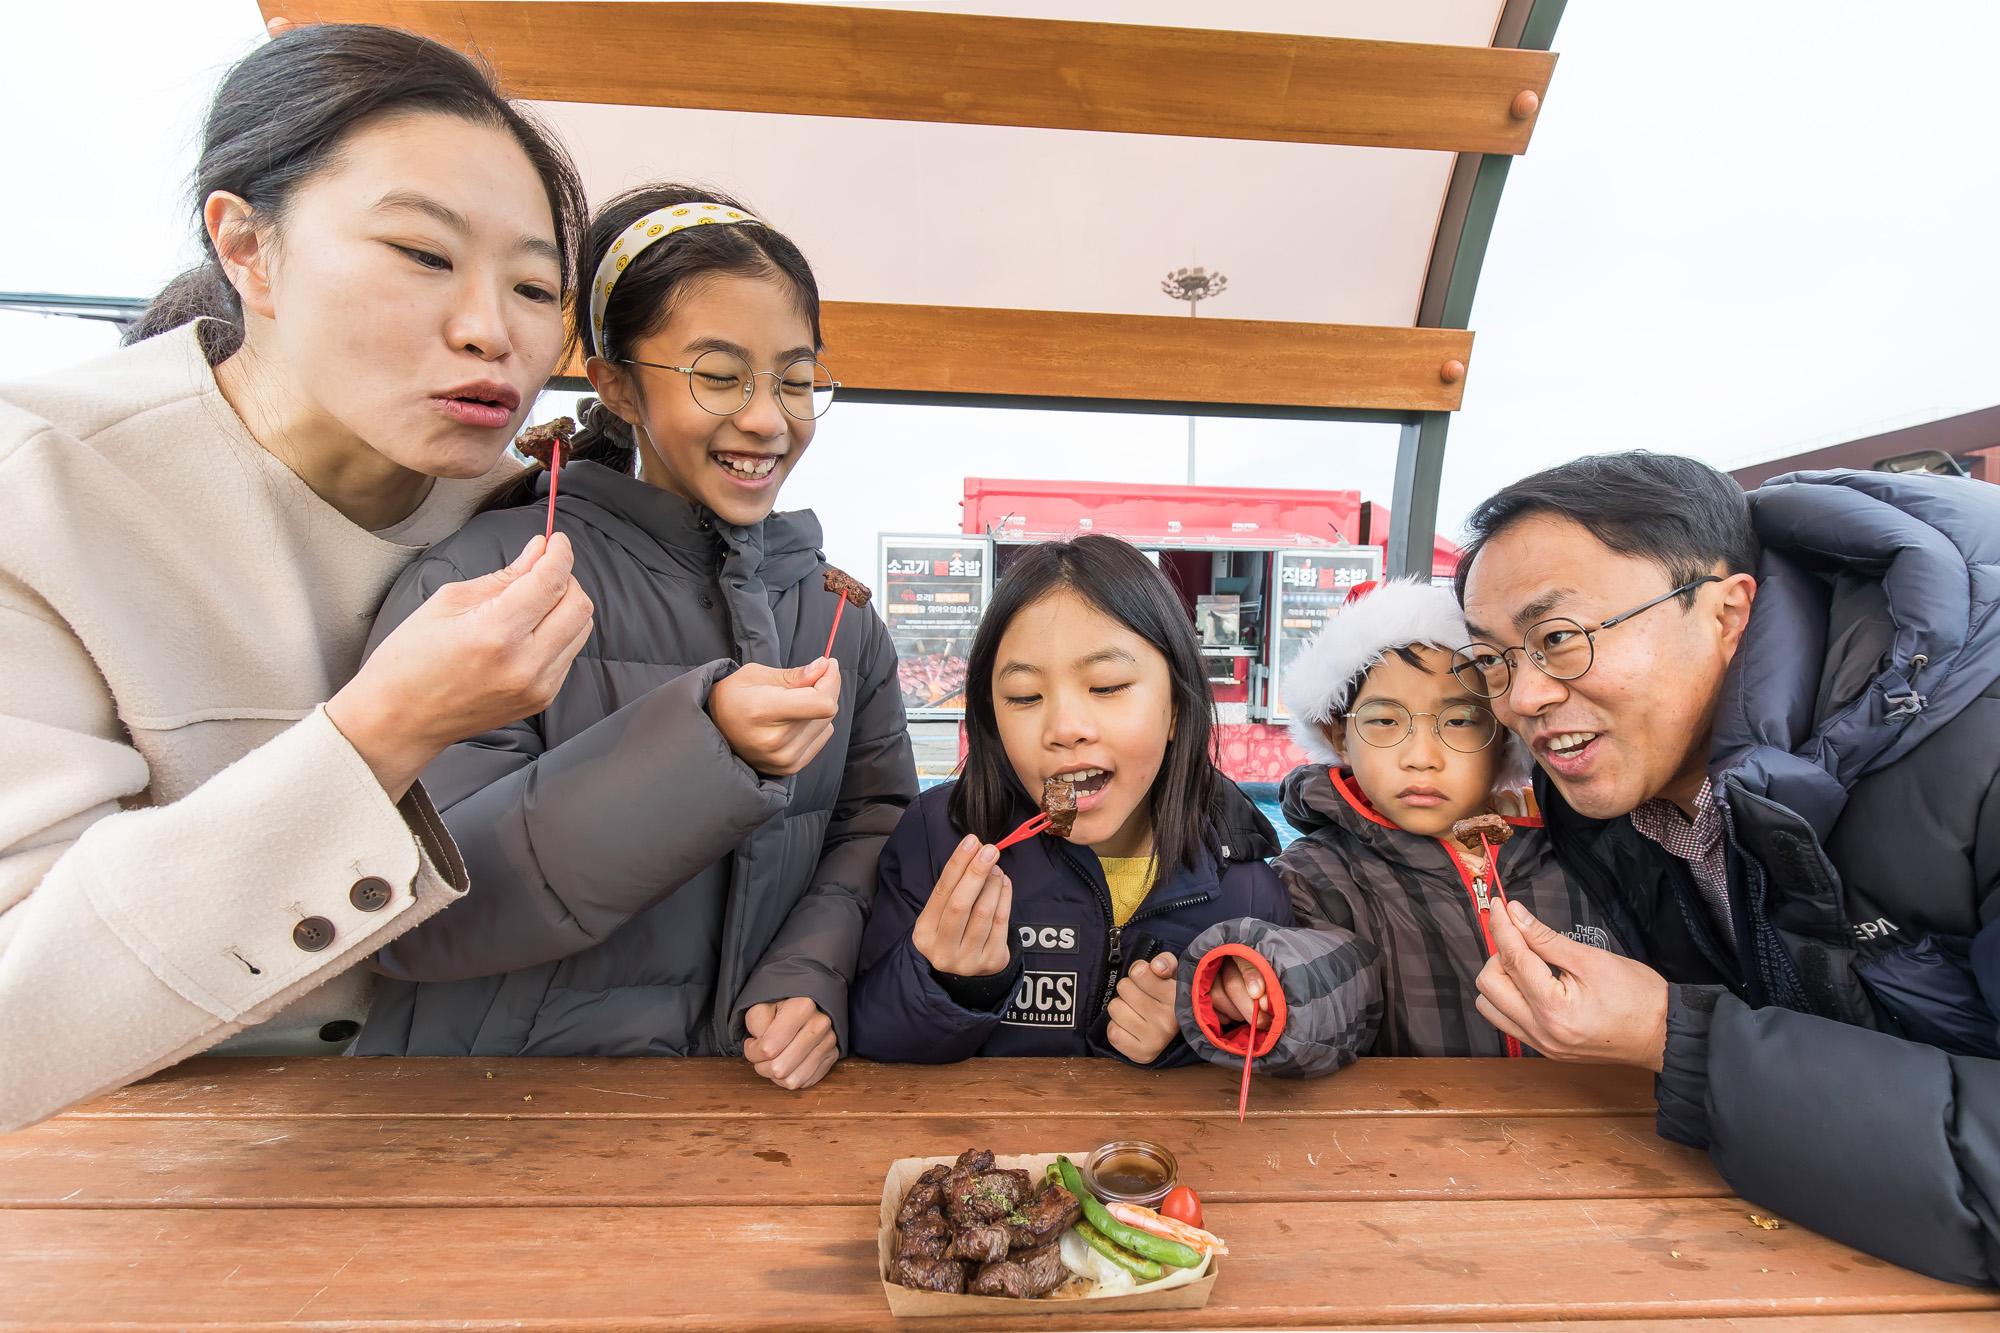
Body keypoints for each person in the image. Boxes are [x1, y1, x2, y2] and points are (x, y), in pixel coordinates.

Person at [0, 24, 596, 1133]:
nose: (490, 330)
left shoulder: (540, 518)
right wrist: (380, 731)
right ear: (247, 248)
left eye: (533, 285)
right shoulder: (39, 486)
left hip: (478, 1131)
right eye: (423, 255)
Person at [353, 184, 916, 1091]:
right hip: (484, 1111)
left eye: (797, 378)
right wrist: (703, 749)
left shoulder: (839, 615)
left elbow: (874, 825)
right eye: (719, 375)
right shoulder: (492, 583)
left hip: (741, 1111)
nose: (768, 418)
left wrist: (811, 971)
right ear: (616, 382)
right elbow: (417, 910)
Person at [1453, 451, 2000, 1287]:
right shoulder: (1627, 807)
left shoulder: (1979, 758)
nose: (1520, 698)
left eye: (1558, 639)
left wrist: (1675, 1037)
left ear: (1726, 610)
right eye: (1492, 659)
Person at [848, 534, 1293, 1066]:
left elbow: (1263, 1066)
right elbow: (869, 1040)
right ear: (991, 717)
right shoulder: (936, 838)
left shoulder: (1247, 892)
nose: (1065, 729)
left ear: (1177, 707)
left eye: (1105, 686)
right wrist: (954, 983)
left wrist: (1190, 1033)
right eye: (1025, 697)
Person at [1175, 578, 1627, 1075]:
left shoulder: (1580, 854)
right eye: (1385, 721)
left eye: (1459, 721)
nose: (1420, 758)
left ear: (1504, 739)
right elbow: (1334, 981)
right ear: (1339, 737)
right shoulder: (1315, 878)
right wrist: (1271, 983)